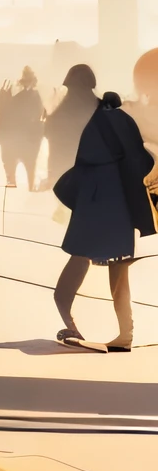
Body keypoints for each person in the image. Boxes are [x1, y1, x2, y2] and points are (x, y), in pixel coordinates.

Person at [54, 87, 156, 350]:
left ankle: (73, 321)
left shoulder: (95, 123)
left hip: (95, 200)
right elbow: (141, 158)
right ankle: (125, 333)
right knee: (119, 269)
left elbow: (84, 158)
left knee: (81, 258)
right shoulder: (125, 121)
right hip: (122, 204)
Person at [50, 62, 103, 180]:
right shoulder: (104, 109)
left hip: (66, 175)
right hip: (97, 175)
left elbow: (54, 148)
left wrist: (52, 175)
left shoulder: (59, 114)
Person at [0, 66, 46, 191]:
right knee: (30, 164)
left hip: (19, 136)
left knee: (14, 162)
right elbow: (39, 113)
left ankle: (13, 183)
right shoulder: (35, 96)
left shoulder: (18, 97)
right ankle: (28, 186)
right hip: (29, 137)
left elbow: (7, 114)